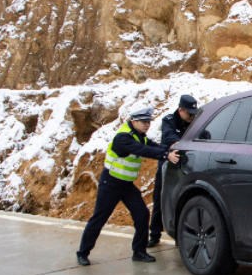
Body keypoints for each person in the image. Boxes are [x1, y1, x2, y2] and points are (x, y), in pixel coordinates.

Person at [77, 107, 180, 266]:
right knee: (99, 218)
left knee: (142, 214)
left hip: (126, 186)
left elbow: (152, 145)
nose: (148, 125)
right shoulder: (123, 137)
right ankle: (82, 253)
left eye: (149, 122)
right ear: (134, 121)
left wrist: (169, 149)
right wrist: (166, 155)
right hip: (111, 183)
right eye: (144, 122)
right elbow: (142, 150)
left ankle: (139, 251)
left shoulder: (139, 135)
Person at [148, 94, 198, 247]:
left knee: (184, 201)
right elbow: (171, 139)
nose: (192, 116)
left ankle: (182, 236)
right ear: (180, 110)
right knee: (161, 200)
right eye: (189, 113)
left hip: (188, 166)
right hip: (169, 167)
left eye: (194, 113)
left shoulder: (195, 121)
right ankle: (154, 235)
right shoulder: (168, 121)